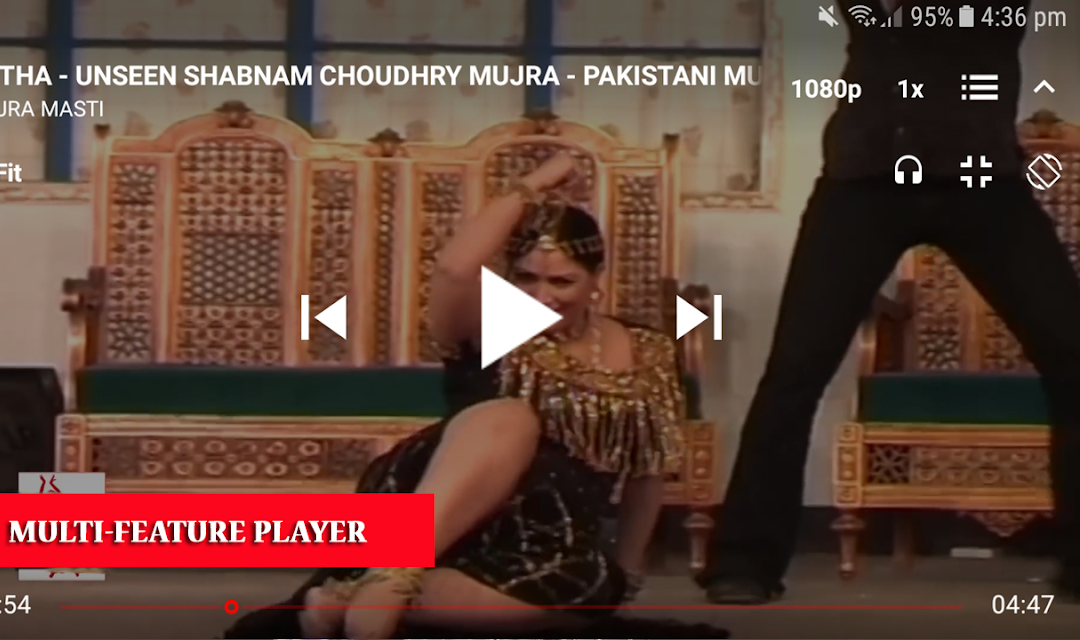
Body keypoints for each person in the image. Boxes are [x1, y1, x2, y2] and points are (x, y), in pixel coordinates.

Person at [225, 153, 729, 639]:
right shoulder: (491, 325)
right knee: (511, 417)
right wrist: (536, 183)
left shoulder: (646, 349)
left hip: (550, 533)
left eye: (562, 281)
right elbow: (454, 269)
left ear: (596, 279)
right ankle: (395, 572)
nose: (541, 295)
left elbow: (646, 471)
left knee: (589, 589)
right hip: (448, 501)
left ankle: (354, 598)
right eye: (525, 277)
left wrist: (628, 574)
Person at [702, 0, 1080, 605]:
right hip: (864, 183)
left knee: (1073, 355)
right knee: (795, 369)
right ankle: (744, 561)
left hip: (981, 180)